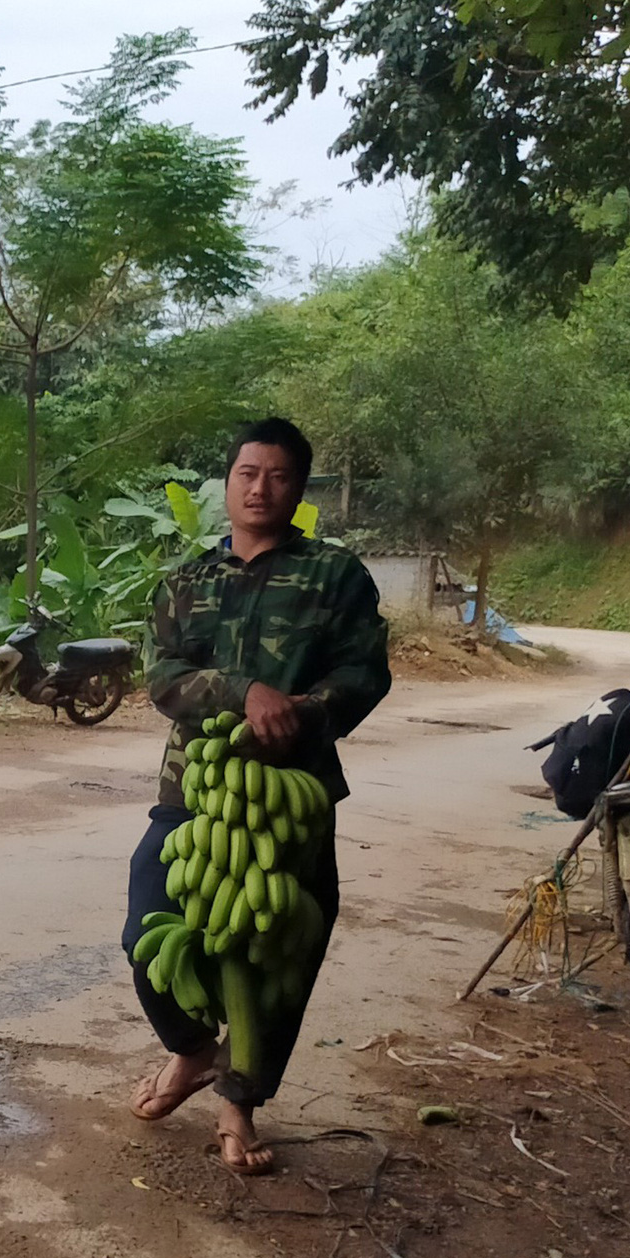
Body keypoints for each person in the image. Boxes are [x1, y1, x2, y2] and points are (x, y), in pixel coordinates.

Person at [122, 418, 391, 1174]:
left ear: (298, 488)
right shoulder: (187, 581)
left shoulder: (336, 577)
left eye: (276, 475)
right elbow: (164, 678)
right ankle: (192, 1051)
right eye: (247, 473)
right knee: (146, 929)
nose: (259, 488)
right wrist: (246, 694)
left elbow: (364, 673)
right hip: (192, 789)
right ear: (227, 482)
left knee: (277, 955)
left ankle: (240, 1103)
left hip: (291, 796)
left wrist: (301, 713)